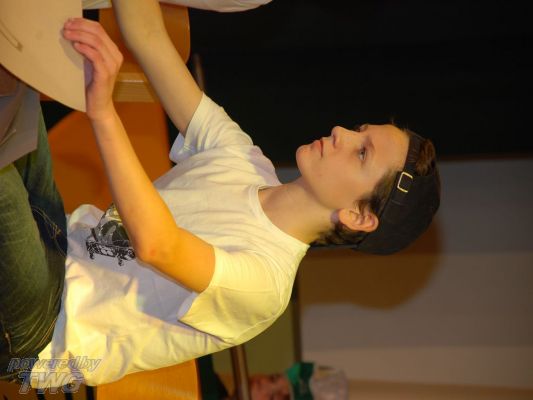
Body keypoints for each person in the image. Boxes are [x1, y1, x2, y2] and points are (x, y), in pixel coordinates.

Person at [0, 0, 440, 389]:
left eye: (361, 152)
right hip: (60, 237)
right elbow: (148, 36)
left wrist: (103, 113)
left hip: (46, 330)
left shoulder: (266, 284)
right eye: (360, 130)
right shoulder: (243, 157)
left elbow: (157, 245)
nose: (342, 132)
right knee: (14, 74)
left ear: (358, 216)